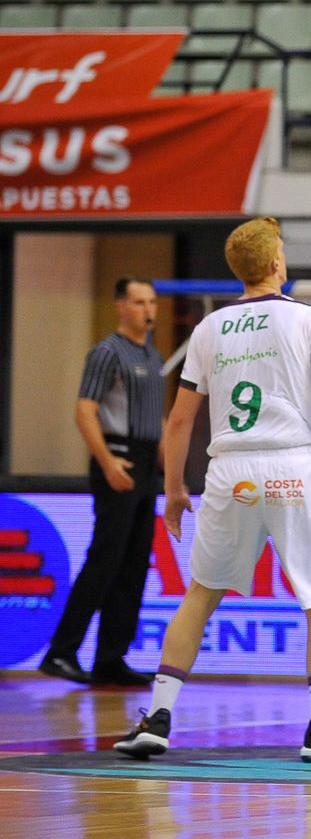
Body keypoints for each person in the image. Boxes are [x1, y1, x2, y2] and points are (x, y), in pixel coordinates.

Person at [113, 217, 311, 763]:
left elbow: (179, 421)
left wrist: (175, 488)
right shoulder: (307, 318)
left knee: (200, 594)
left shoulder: (208, 329)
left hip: (230, 473)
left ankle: (157, 718)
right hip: (290, 467)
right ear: (276, 263)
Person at [41, 277, 165, 687]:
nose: (148, 309)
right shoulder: (107, 353)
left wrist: (168, 464)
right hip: (119, 454)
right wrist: (108, 460)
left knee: (134, 563)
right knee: (105, 558)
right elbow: (84, 410)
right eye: (139, 302)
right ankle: (61, 650)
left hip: (147, 462)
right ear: (120, 307)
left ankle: (112, 656)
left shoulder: (153, 353)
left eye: (152, 301)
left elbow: (157, 419)